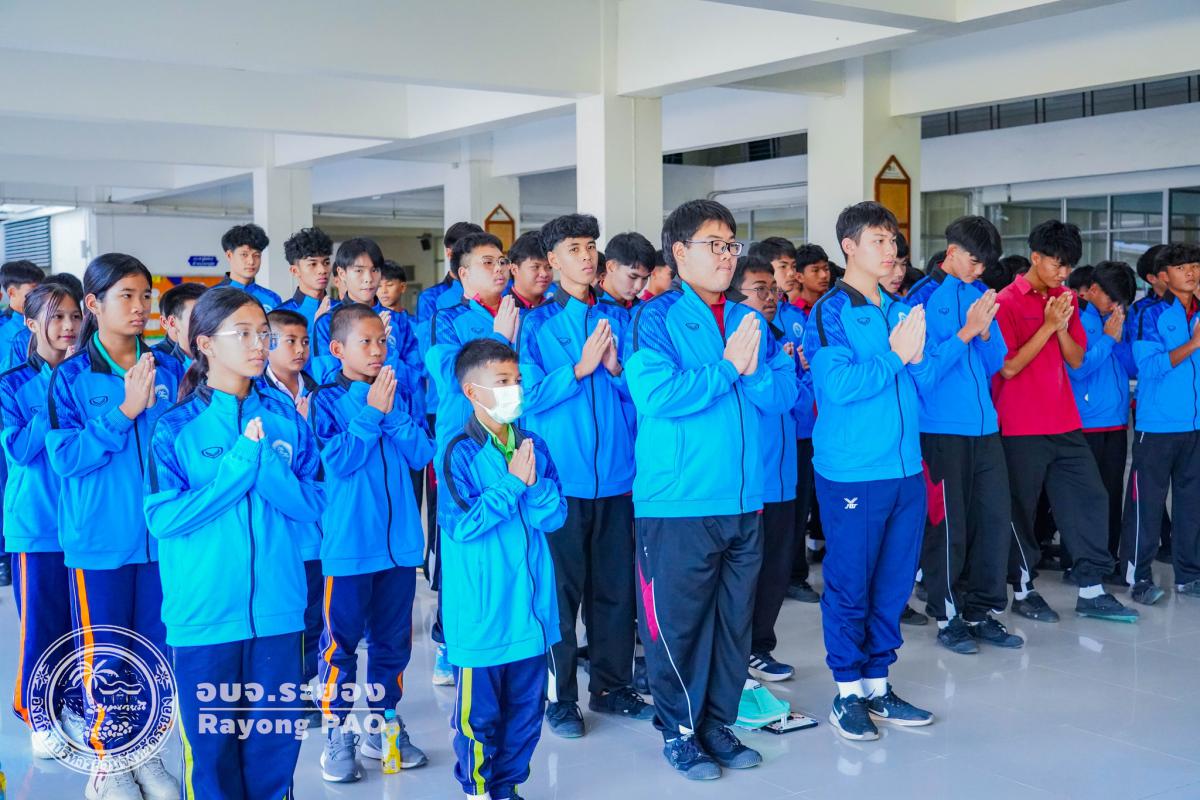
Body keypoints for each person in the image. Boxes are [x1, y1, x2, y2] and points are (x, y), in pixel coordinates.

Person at [626, 199, 797, 780]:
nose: (727, 256)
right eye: (714, 244)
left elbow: (782, 397)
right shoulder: (655, 317)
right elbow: (657, 396)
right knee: (678, 624)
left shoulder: (750, 320)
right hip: (680, 500)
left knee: (732, 622)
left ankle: (718, 723)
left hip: (745, 497)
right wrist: (727, 369)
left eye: (731, 245)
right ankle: (679, 731)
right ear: (680, 252)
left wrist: (754, 370)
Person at [145, 288, 325, 799]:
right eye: (242, 334)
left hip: (278, 612)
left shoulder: (286, 418)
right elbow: (164, 518)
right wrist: (239, 466)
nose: (258, 344)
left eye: (263, 334)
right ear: (205, 343)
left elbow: (314, 504)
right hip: (204, 616)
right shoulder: (175, 426)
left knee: (273, 753)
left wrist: (265, 466)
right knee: (212, 758)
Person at [46, 253, 180, 799]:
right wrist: (124, 412)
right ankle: (108, 761)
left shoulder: (169, 370)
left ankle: (145, 755)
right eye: (126, 295)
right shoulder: (71, 377)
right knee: (105, 657)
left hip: (162, 544)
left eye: (145, 295)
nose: (140, 306)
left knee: (155, 656)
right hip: (100, 542)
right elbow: (65, 459)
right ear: (93, 304)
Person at [803, 201, 936, 741]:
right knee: (850, 582)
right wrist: (896, 356)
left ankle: (878, 684)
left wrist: (915, 358)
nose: (891, 250)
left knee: (893, 582)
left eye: (893, 240)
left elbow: (921, 380)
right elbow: (836, 387)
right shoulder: (831, 312)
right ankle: (847, 693)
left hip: (905, 467)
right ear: (849, 247)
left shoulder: (900, 308)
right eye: (878, 240)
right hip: (854, 471)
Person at [517, 214, 649, 738]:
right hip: (561, 483)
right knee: (560, 595)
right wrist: (578, 369)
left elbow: (643, 395)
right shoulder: (535, 325)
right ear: (552, 260)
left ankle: (613, 687)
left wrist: (615, 370)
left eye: (591, 246)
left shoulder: (620, 319)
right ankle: (561, 698)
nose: (588, 256)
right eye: (575, 248)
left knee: (615, 592)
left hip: (617, 478)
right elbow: (523, 398)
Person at [438, 338, 567, 800]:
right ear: (473, 392)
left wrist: (531, 486)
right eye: (503, 381)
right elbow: (463, 525)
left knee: (527, 712)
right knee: (479, 717)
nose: (515, 389)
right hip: (483, 615)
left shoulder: (533, 444)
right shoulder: (458, 452)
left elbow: (555, 515)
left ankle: (507, 788)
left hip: (529, 612)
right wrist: (512, 484)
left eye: (517, 380)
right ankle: (477, 790)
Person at [310, 303, 434, 783]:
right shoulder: (324, 401)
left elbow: (422, 452)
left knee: (391, 645)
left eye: (382, 340)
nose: (377, 349)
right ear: (338, 349)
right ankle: (337, 731)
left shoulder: (397, 391)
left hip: (399, 546)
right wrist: (370, 413)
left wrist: (390, 412)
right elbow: (337, 462)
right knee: (339, 646)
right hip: (349, 547)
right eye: (365, 342)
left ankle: (383, 726)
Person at [993, 220, 1138, 623]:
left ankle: (1091, 588)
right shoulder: (1006, 302)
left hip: (1064, 420)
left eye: (1069, 266)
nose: (1063, 272)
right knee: (1021, 509)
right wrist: (1048, 326)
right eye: (1057, 263)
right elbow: (1008, 367)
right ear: (1035, 257)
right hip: (1020, 424)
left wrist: (1059, 326)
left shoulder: (1066, 298)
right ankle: (1023, 589)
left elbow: (1075, 360)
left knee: (1090, 496)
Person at [915, 216, 1023, 655]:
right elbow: (924, 373)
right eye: (974, 261)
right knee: (949, 526)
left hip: (985, 428)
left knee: (993, 520)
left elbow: (996, 361)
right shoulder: (921, 298)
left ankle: (981, 610)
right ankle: (947, 616)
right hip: (941, 431)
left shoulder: (981, 294)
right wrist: (965, 332)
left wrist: (984, 331)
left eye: (985, 265)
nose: (979, 271)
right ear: (952, 252)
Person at [2, 282, 86, 760]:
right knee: (41, 624)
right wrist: (57, 391)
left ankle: (71, 705)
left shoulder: (89, 376)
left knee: (82, 626)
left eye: (74, 316)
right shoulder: (12, 384)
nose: (68, 326)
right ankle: (37, 714)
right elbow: (18, 449)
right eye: (56, 317)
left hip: (86, 525)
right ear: (32, 323)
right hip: (37, 525)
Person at [728, 257, 802, 684]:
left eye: (773, 288)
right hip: (750, 481)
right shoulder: (734, 342)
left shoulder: (776, 340)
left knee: (775, 571)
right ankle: (737, 655)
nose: (771, 296)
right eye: (760, 288)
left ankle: (760, 648)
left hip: (783, 477)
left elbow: (790, 397)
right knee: (746, 577)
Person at [1122, 243, 1200, 603]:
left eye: (1195, 265)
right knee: (1147, 506)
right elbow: (1149, 367)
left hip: (1194, 426)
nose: (1191, 272)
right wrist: (1194, 343)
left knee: (1191, 505)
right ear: (1164, 276)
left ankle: (1189, 575)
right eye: (1182, 267)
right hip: (1156, 427)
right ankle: (1138, 578)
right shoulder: (1148, 313)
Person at [1068, 261, 1136, 581]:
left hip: (1116, 422)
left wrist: (1117, 338)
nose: (1116, 306)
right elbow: (1078, 368)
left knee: (1111, 494)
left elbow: (1132, 367)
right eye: (1113, 299)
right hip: (1086, 423)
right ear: (1093, 290)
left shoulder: (1117, 319)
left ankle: (1107, 558)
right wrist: (1108, 339)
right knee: (1086, 497)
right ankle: (1079, 562)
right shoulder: (1077, 319)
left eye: (1121, 301)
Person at [0, 259, 45, 587]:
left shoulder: (44, 324)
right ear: (11, 293)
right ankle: (4, 557)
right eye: (31, 294)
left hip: (35, 418)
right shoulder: (6, 331)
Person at [275, 226, 334, 336]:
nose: (322, 270)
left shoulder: (342, 310)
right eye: (313, 264)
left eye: (326, 263)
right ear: (295, 271)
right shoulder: (281, 315)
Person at [151, 282, 206, 386]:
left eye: (209, 316)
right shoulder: (155, 362)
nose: (205, 324)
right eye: (195, 317)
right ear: (171, 322)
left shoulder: (222, 358)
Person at [217, 223, 281, 311]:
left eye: (256, 255)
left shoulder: (272, 299)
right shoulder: (212, 296)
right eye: (244, 254)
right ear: (229, 255)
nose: (251, 261)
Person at [599, 232, 654, 310]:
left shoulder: (645, 310)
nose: (639, 287)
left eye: (645, 278)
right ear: (611, 267)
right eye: (633, 277)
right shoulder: (587, 308)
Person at [507, 231, 553, 312]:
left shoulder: (556, 306)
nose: (544, 273)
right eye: (535, 267)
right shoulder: (503, 310)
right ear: (514, 270)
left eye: (549, 267)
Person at [748, 237, 797, 304]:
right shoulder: (748, 306)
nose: (791, 273)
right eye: (783, 266)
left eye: (794, 266)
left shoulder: (786, 303)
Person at [792, 244, 831, 311]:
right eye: (815, 270)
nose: (824, 275)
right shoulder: (793, 311)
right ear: (799, 277)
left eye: (826, 269)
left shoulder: (838, 305)